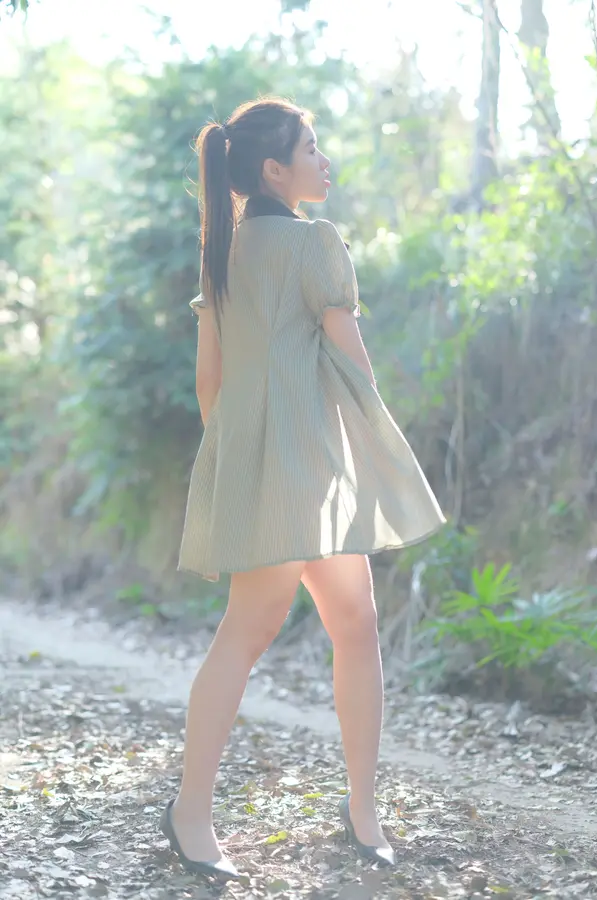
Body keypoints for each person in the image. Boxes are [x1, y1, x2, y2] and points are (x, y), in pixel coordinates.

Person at [160, 97, 446, 881]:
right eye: (311, 148)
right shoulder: (316, 242)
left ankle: (355, 811)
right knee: (274, 630)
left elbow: (209, 384)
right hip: (309, 463)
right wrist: (370, 456)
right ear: (273, 170)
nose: (324, 160)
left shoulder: (223, 252)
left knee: (341, 622)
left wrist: (237, 465)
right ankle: (200, 814)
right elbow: (355, 368)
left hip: (263, 463)